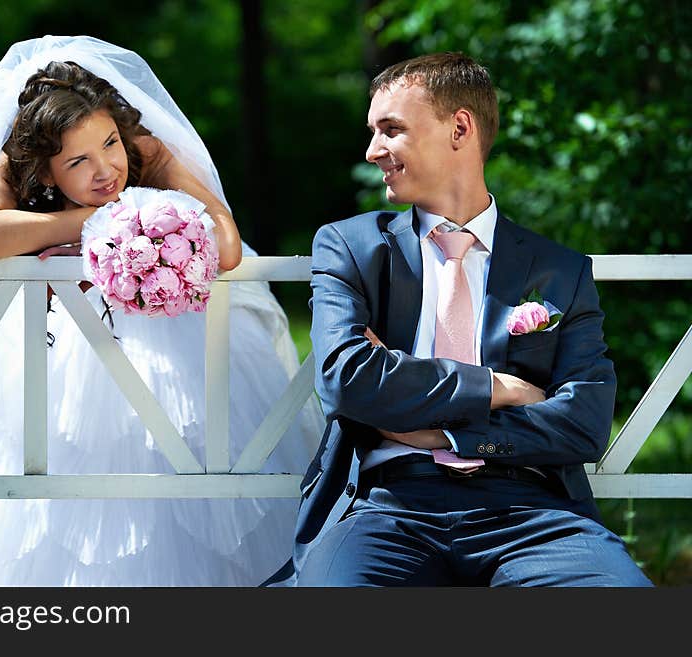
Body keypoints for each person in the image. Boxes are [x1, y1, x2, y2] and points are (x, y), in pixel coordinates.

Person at [0, 35, 324, 586]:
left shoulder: (144, 150)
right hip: (57, 353)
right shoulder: (15, 167)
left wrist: (140, 215)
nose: (106, 169)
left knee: (183, 467)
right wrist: (87, 225)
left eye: (109, 143)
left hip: (172, 339)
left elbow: (225, 246)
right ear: (45, 171)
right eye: (78, 161)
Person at [265, 52, 651, 587]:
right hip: (387, 507)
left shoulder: (558, 269)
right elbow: (346, 380)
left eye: (391, 130)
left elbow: (583, 422)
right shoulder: (351, 246)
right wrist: (496, 387)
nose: (373, 150)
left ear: (460, 128)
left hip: (532, 512)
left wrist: (439, 433)